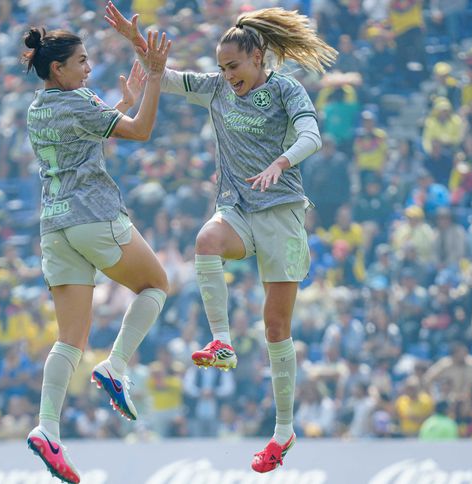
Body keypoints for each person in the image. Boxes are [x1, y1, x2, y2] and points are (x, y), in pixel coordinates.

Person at [106, 2, 335, 473]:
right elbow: (164, 78)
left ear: (258, 57)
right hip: (237, 207)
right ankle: (222, 342)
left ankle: (283, 432)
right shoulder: (216, 90)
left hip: (283, 213)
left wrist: (282, 162)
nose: (227, 75)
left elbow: (313, 135)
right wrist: (138, 45)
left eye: (234, 66)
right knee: (206, 242)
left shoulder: (286, 90)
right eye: (222, 67)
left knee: (276, 328)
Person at [20, 26, 171, 484]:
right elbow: (141, 132)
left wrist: (120, 104)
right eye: (82, 61)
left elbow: (81, 137)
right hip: (94, 215)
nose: (89, 68)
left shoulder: (36, 108)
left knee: (69, 339)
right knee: (156, 284)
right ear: (57, 68)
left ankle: (48, 428)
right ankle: (116, 366)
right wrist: (157, 76)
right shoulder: (81, 101)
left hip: (54, 224)